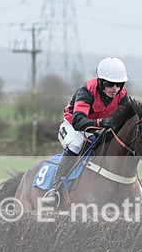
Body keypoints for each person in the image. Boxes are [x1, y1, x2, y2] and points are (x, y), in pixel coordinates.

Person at [42, 56, 131, 205]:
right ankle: (55, 189)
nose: (115, 89)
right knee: (76, 144)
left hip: (99, 129)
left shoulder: (122, 95)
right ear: (100, 81)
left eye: (119, 84)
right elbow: (78, 121)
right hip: (73, 127)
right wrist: (100, 122)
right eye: (110, 84)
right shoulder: (87, 90)